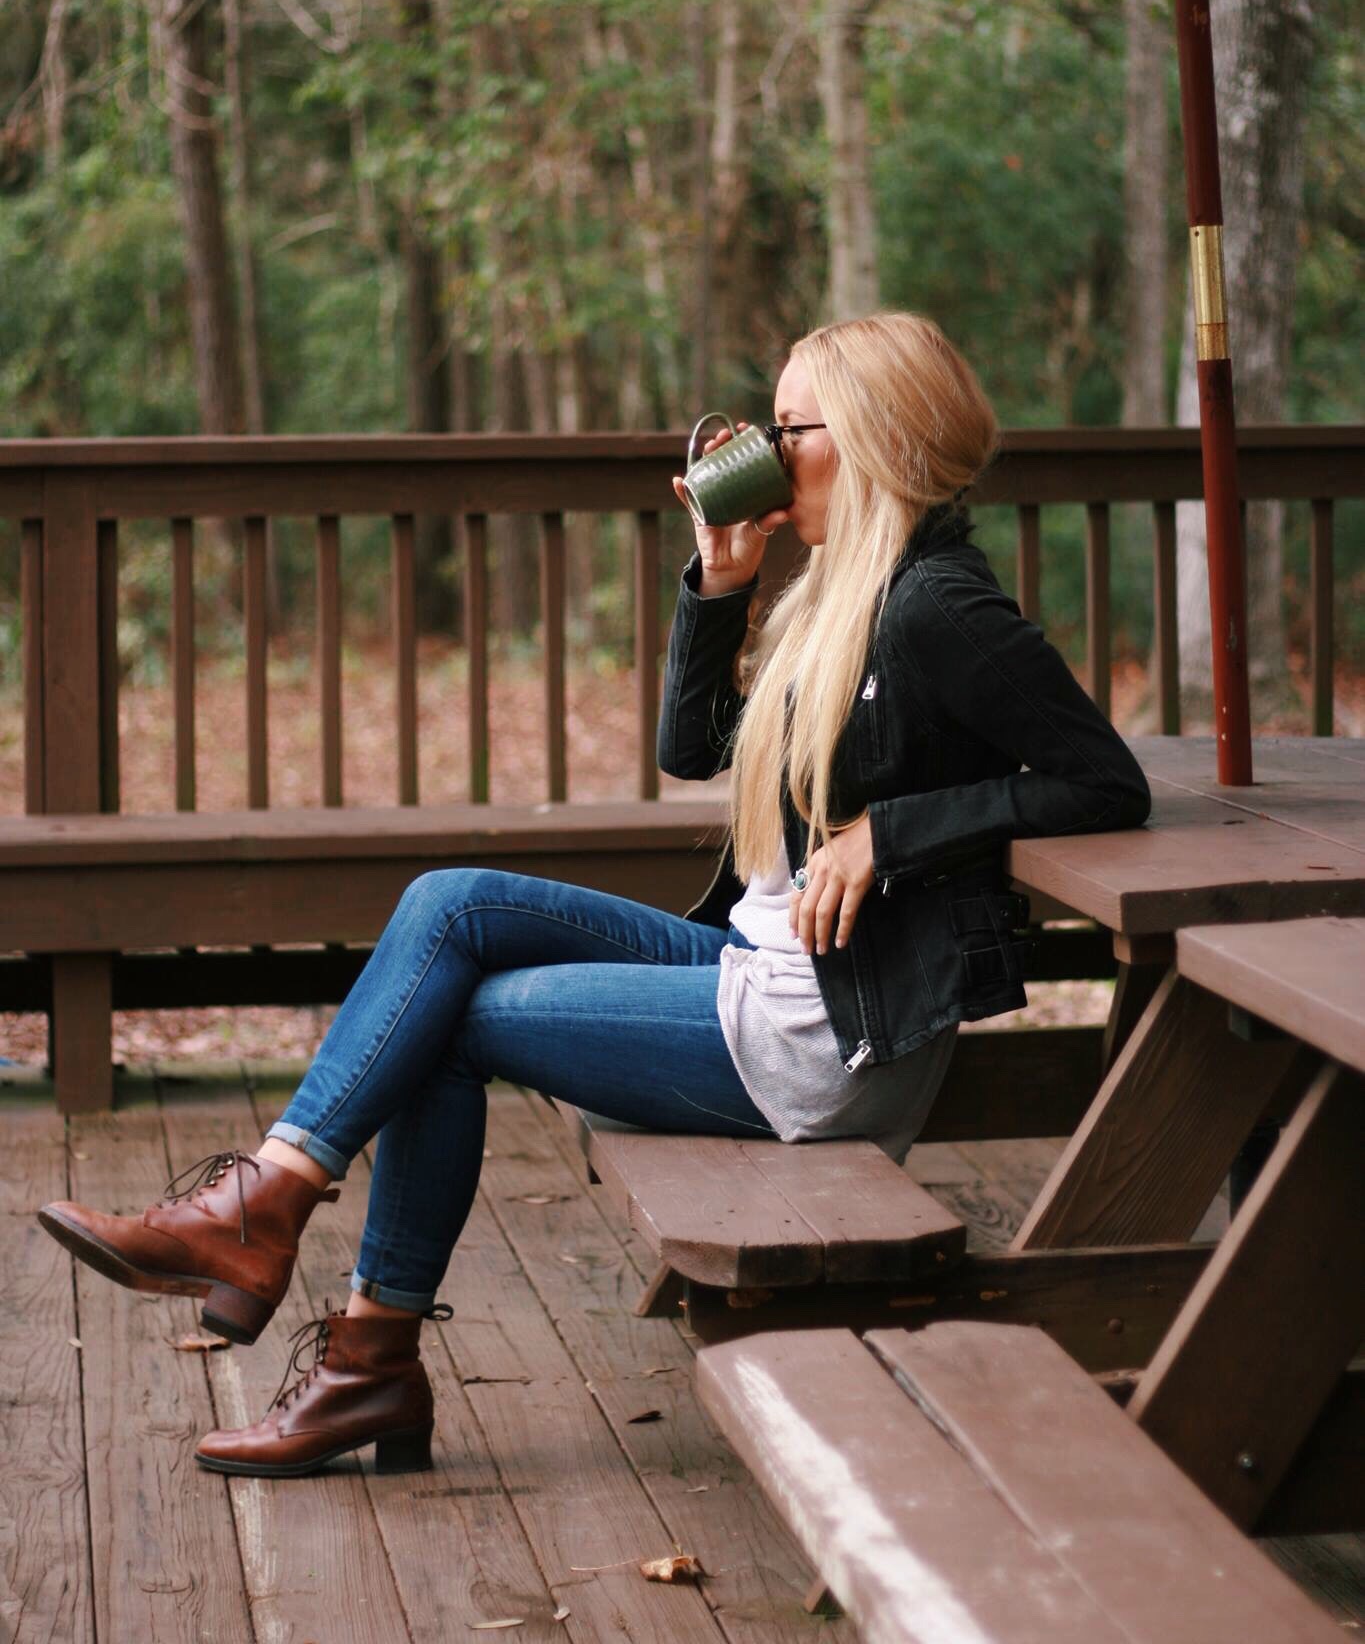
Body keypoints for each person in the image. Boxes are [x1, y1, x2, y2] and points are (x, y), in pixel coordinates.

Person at [36, 310, 1151, 1479]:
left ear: (872, 436)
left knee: (450, 1024)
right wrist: (723, 579)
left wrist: (893, 833)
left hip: (818, 1033)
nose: (769, 453)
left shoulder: (938, 606)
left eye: (790, 430)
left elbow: (1100, 779)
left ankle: (345, 1331)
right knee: (451, 903)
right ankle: (279, 1217)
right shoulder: (843, 589)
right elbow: (693, 747)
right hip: (757, 968)